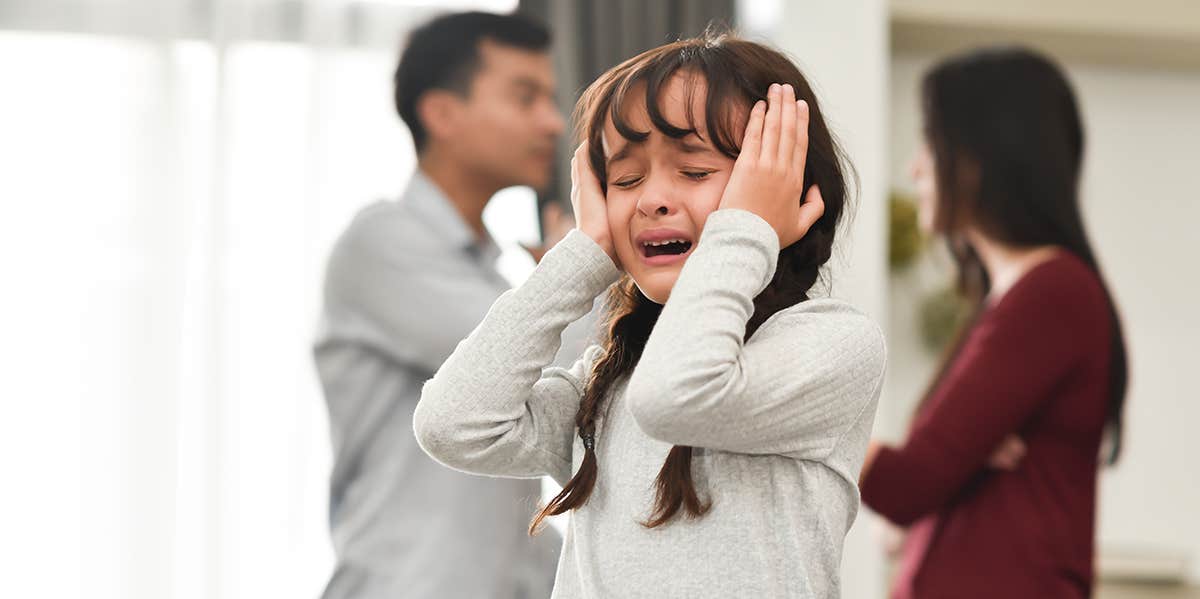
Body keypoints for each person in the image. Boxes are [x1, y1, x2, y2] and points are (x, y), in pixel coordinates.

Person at [414, 33, 887, 597]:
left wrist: (746, 228)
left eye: (693, 172)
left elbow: (677, 397)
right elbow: (452, 425)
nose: (650, 200)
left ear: (782, 194)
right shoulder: (606, 381)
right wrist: (584, 256)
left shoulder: (832, 343)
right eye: (626, 179)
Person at [314, 11, 573, 599]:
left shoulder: (487, 271)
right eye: (525, 97)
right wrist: (576, 273)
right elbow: (562, 362)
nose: (553, 122)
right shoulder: (382, 245)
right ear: (441, 114)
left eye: (550, 99)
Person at [858, 47, 1129, 599]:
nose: (915, 168)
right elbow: (909, 499)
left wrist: (804, 428)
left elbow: (908, 484)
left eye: (930, 143)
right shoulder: (1012, 298)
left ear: (980, 156)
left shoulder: (1053, 293)